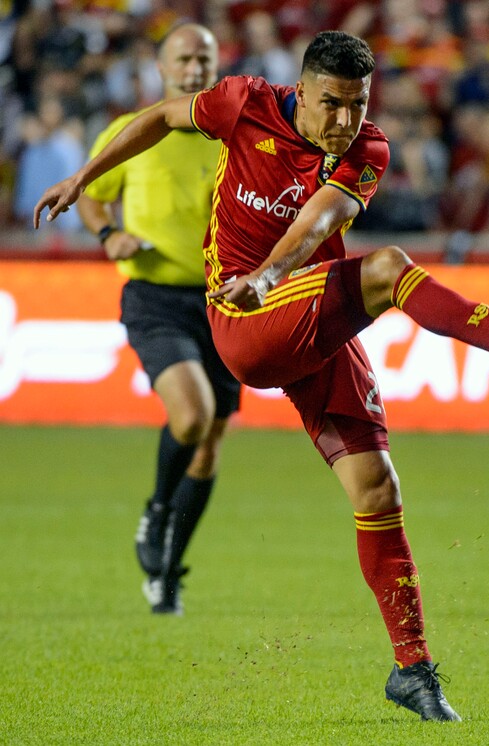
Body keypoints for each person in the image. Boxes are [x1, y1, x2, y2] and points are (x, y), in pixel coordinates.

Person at [34, 30, 489, 723]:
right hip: (244, 322)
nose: (344, 121)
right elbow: (157, 117)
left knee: (377, 486)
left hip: (300, 306)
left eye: (357, 105)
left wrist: (272, 273)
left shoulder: (369, 149)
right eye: (331, 105)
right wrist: (84, 178)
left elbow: (318, 219)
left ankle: (412, 669)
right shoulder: (244, 104)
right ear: (302, 90)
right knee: (385, 269)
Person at [75, 23, 241, 616]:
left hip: (225, 302)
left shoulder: (236, 134)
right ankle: (156, 510)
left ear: (217, 64)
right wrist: (107, 232)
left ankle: (168, 573)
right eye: (183, 58)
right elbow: (91, 188)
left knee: (210, 443)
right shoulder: (135, 130)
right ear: (161, 66)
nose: (194, 68)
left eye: (204, 58)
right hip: (155, 295)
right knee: (192, 415)